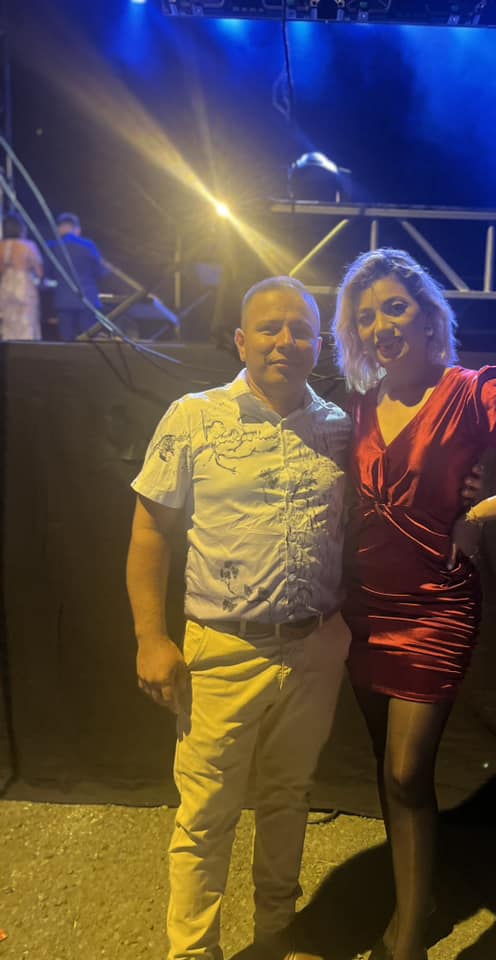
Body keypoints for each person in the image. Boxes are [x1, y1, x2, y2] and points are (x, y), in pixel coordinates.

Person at [332, 248, 496, 960]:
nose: (381, 326)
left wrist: (478, 513)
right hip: (364, 607)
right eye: (366, 317)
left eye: (394, 307)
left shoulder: (473, 392)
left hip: (434, 609)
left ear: (427, 317)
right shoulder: (355, 407)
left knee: (405, 771)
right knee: (389, 770)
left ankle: (409, 939)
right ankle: (414, 900)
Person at [126, 276, 353, 960]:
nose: (285, 340)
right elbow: (150, 533)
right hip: (222, 652)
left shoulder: (340, 429)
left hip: (314, 650)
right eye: (270, 327)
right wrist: (150, 638)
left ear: (319, 343)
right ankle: (194, 952)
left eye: (301, 329)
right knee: (206, 817)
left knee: (288, 798)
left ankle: (275, 937)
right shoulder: (192, 418)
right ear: (241, 340)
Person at [47, 212, 107, 340]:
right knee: (89, 340)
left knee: (67, 340)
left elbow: (48, 272)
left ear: (59, 228)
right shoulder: (88, 245)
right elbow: (101, 271)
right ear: (77, 229)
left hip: (63, 299)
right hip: (88, 298)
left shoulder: (52, 246)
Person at [0, 214, 43, 340]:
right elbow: (40, 272)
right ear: (21, 228)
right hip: (23, 283)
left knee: (8, 319)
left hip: (6, 284)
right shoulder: (28, 245)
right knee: (27, 318)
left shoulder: (1, 246)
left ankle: (9, 345)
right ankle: (26, 346)